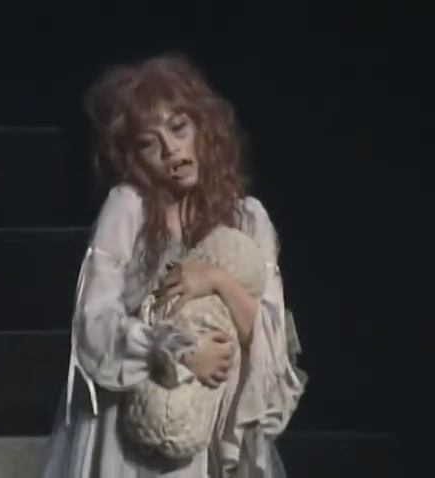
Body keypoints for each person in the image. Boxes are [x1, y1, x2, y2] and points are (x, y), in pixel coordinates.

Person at [43, 54, 305, 478]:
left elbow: (270, 341)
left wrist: (217, 281)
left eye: (179, 128)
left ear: (204, 127)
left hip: (209, 425)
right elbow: (94, 321)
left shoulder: (249, 219)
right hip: (132, 428)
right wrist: (177, 351)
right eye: (149, 143)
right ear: (133, 156)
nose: (171, 150)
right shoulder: (128, 208)